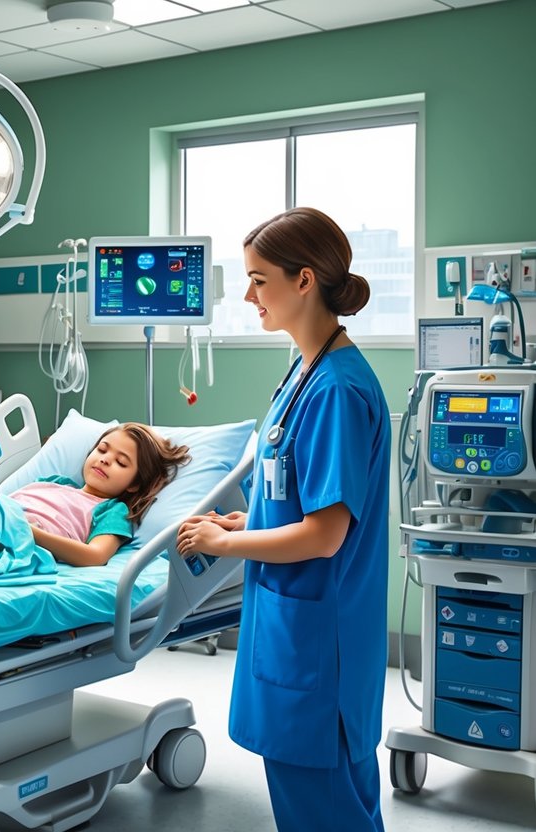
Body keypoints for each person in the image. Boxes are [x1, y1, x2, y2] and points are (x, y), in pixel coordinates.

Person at [176, 207, 390, 831]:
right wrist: (252, 519)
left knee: (324, 806)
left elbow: (327, 534)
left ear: (304, 281)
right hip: (297, 626)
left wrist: (225, 542)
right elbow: (298, 492)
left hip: (319, 642)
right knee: (323, 800)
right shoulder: (305, 370)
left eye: (258, 279)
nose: (247, 295)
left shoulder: (335, 391)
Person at [13, 422, 190, 567]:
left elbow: (95, 556)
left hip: (17, 540)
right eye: (102, 449)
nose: (105, 459)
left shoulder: (112, 510)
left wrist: (30, 532)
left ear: (135, 484)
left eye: (121, 462)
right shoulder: (54, 482)